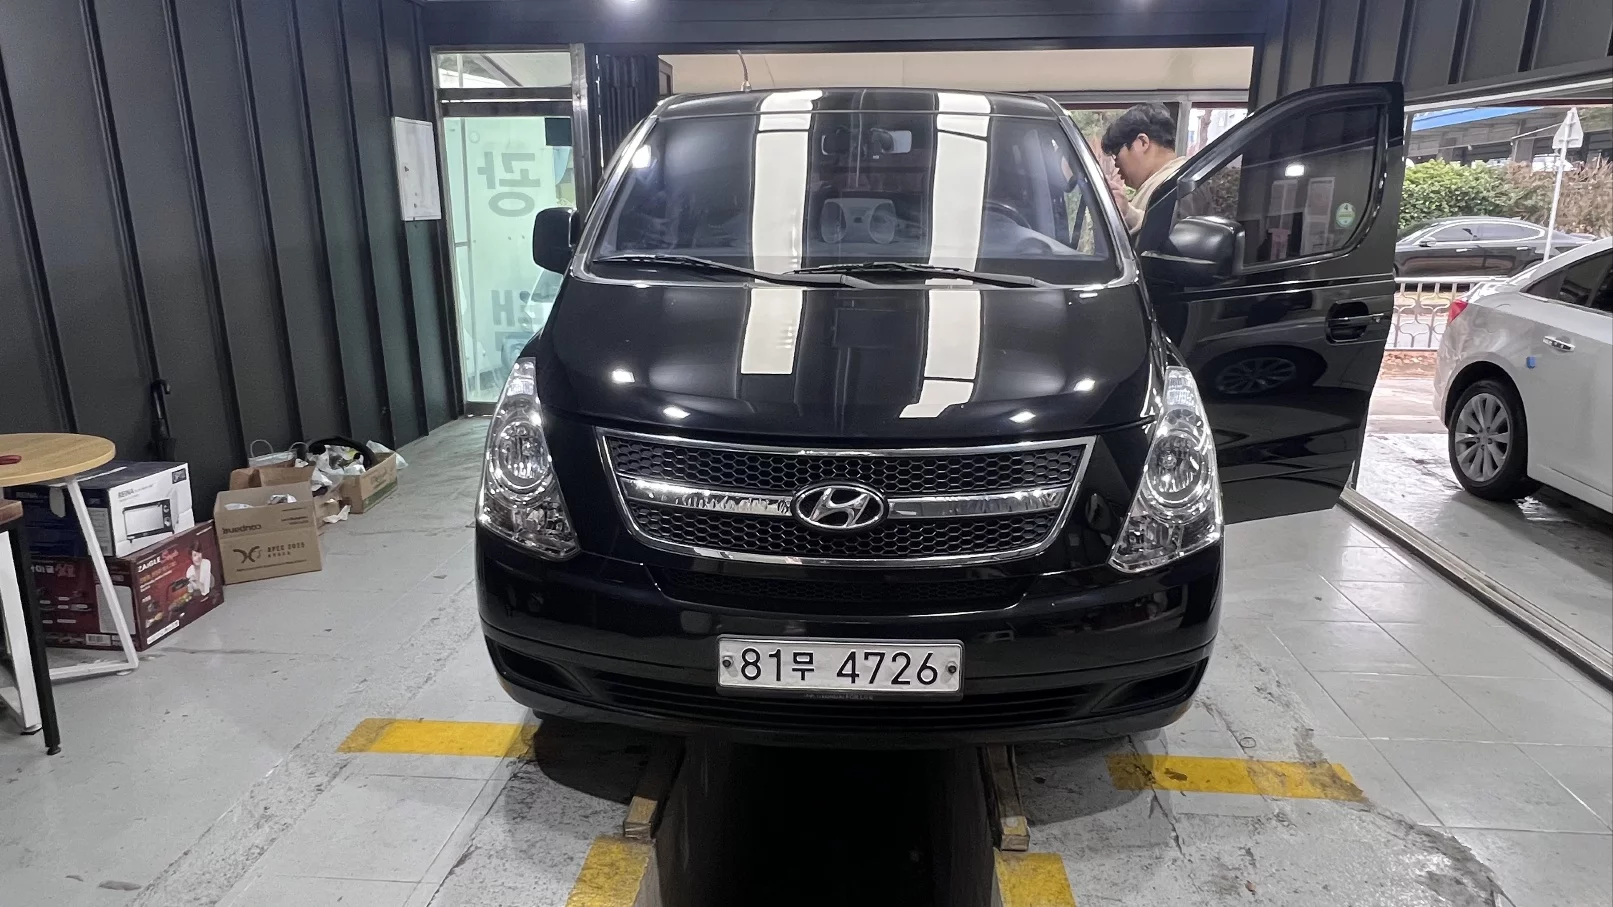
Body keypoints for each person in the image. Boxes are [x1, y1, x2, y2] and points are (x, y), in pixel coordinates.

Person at [1100, 104, 1191, 237]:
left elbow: (1174, 237)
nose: (1116, 165)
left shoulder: (1180, 184)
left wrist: (1128, 213)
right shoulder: (1159, 183)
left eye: (1116, 153)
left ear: (1142, 142)